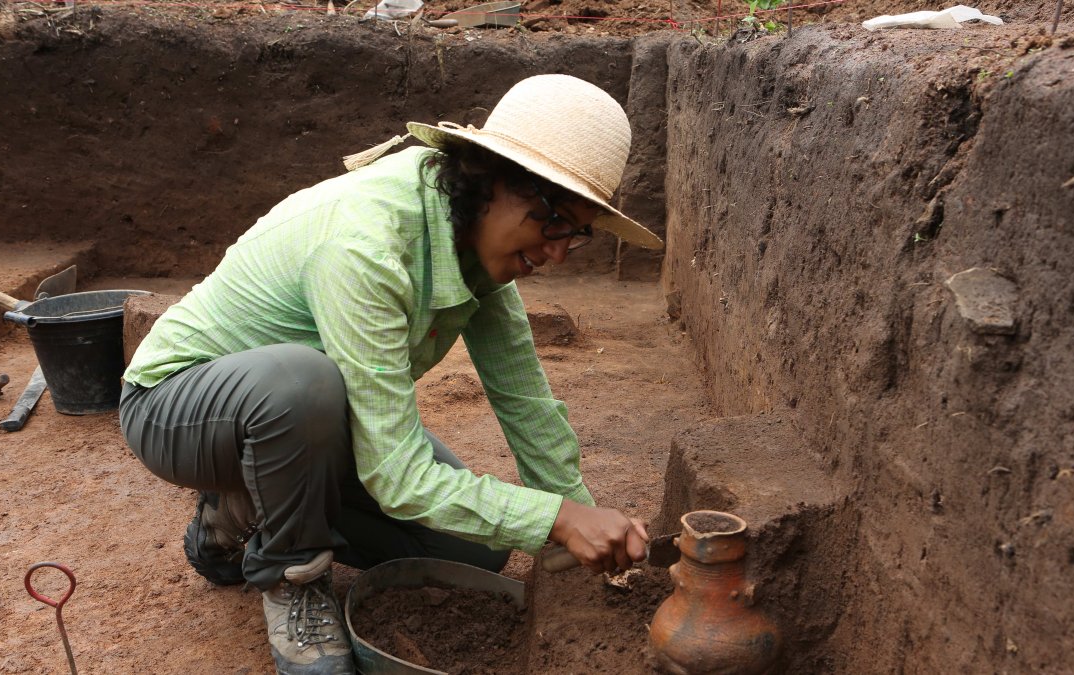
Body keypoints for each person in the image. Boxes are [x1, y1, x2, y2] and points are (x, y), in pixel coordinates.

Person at [118, 73, 664, 675]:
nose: (559, 252)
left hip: (305, 426)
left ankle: (241, 509)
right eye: (554, 220)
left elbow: (526, 401)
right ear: (489, 180)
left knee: (470, 553)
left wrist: (574, 523)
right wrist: (560, 521)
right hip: (180, 409)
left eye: (578, 233)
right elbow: (398, 477)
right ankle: (294, 579)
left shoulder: (475, 247)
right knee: (305, 384)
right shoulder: (367, 245)